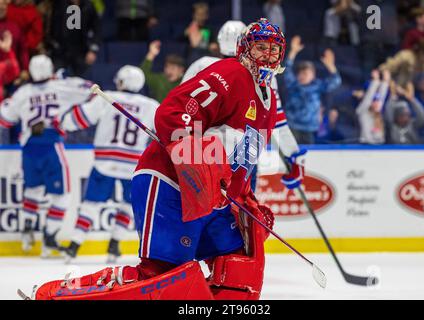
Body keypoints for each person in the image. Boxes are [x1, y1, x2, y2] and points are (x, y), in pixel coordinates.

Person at [33, 18, 286, 300]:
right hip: (172, 182)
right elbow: (174, 113)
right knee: (161, 276)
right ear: (243, 49)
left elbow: (241, 160)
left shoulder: (269, 101)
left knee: (238, 265)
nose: (267, 55)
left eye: (274, 50)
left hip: (214, 198)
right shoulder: (231, 72)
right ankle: (63, 295)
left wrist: (245, 199)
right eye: (260, 47)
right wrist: (201, 163)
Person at [182, 20, 305, 192]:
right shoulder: (266, 74)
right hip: (241, 159)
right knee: (238, 215)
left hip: (201, 154)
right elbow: (277, 122)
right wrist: (293, 155)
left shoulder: (202, 64)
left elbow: (182, 108)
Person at [59, 66, 159, 263]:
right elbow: (164, 131)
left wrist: (63, 122)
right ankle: (115, 245)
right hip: (132, 164)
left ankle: (74, 246)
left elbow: (76, 120)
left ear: (121, 82)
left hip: (104, 162)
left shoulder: (106, 97)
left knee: (91, 205)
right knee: (128, 204)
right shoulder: (151, 105)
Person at [0, 55, 92, 257]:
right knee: (63, 195)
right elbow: (91, 89)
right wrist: (67, 79)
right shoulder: (60, 86)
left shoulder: (23, 92)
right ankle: (49, 239)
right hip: (51, 143)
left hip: (28, 146)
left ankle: (26, 228)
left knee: (33, 189)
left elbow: (4, 119)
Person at [283, 35, 341, 144]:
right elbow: (287, 70)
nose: (302, 75)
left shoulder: (317, 86)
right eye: (300, 73)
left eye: (306, 73)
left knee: (309, 154)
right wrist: (293, 52)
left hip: (310, 128)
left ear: (313, 75)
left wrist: (331, 66)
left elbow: (335, 81)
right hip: (292, 126)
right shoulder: (293, 84)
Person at [356, 69, 390, 144]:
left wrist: (385, 82)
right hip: (364, 148)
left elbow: (381, 97)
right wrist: (375, 81)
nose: (376, 103)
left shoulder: (378, 113)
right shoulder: (362, 112)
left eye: (377, 101)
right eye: (374, 101)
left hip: (378, 148)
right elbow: (368, 97)